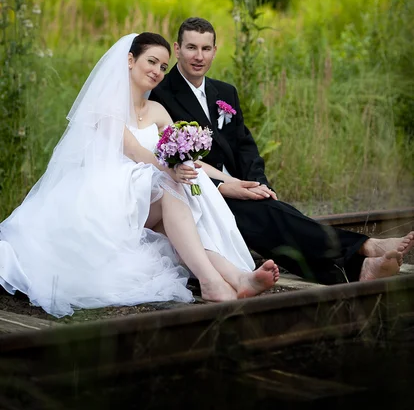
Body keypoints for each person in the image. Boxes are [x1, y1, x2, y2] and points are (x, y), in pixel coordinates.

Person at [0, 33, 280, 318]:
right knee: (171, 185)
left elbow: (187, 159)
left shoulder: (158, 110)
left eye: (163, 66)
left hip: (143, 196)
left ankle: (235, 278)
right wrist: (171, 169)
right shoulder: (106, 105)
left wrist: (229, 181)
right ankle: (213, 282)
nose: (157, 71)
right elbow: (134, 151)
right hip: (106, 195)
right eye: (152, 62)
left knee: (175, 220)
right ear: (131, 60)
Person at [150, 17, 414, 285]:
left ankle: (358, 270)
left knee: (274, 216)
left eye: (206, 49)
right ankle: (365, 247)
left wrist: (259, 185)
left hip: (241, 187)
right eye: (191, 47)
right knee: (272, 219)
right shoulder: (160, 95)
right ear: (177, 48)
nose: (199, 56)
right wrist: (222, 186)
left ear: (215, 50)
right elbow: (170, 157)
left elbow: (246, 147)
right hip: (198, 191)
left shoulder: (225, 92)